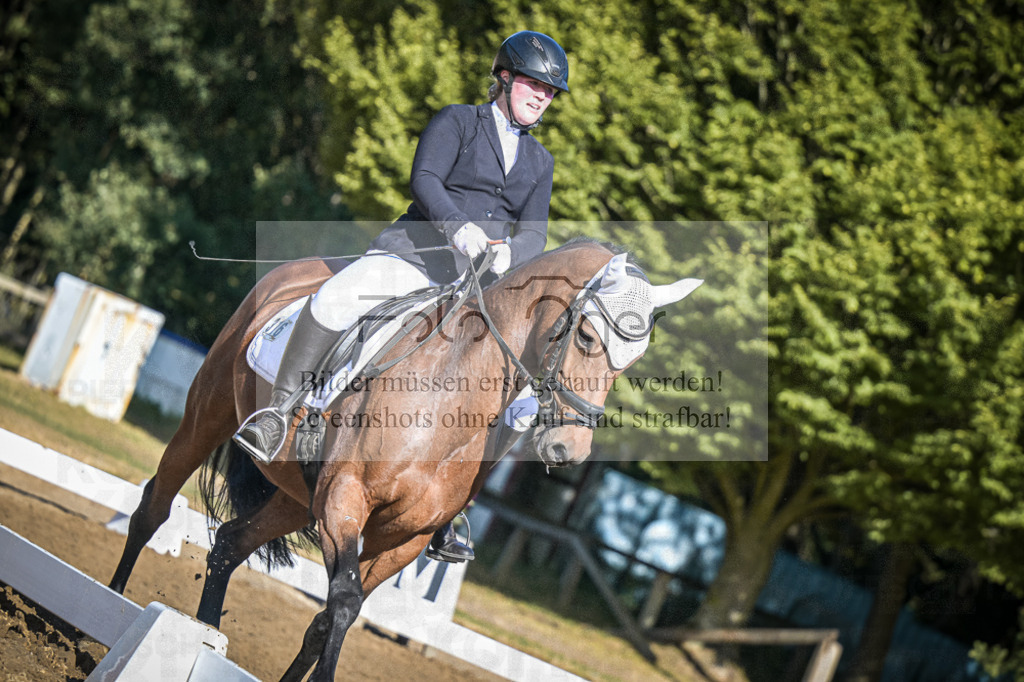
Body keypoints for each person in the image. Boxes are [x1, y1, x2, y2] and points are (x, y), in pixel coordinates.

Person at [233, 31, 570, 563]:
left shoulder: (540, 161)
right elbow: (425, 179)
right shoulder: (458, 121)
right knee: (335, 300)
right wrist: (458, 228)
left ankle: (455, 503)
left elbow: (534, 232)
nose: (541, 97)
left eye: (550, 93)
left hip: (476, 288)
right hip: (413, 258)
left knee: (520, 402)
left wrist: (509, 256)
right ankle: (276, 414)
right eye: (533, 84)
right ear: (504, 77)